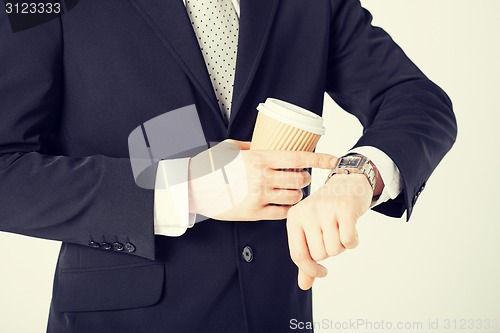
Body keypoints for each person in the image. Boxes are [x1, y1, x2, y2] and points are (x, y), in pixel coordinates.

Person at [0, 0, 457, 332]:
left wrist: (356, 178)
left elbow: (417, 101)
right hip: (122, 318)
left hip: (276, 314)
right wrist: (190, 190)